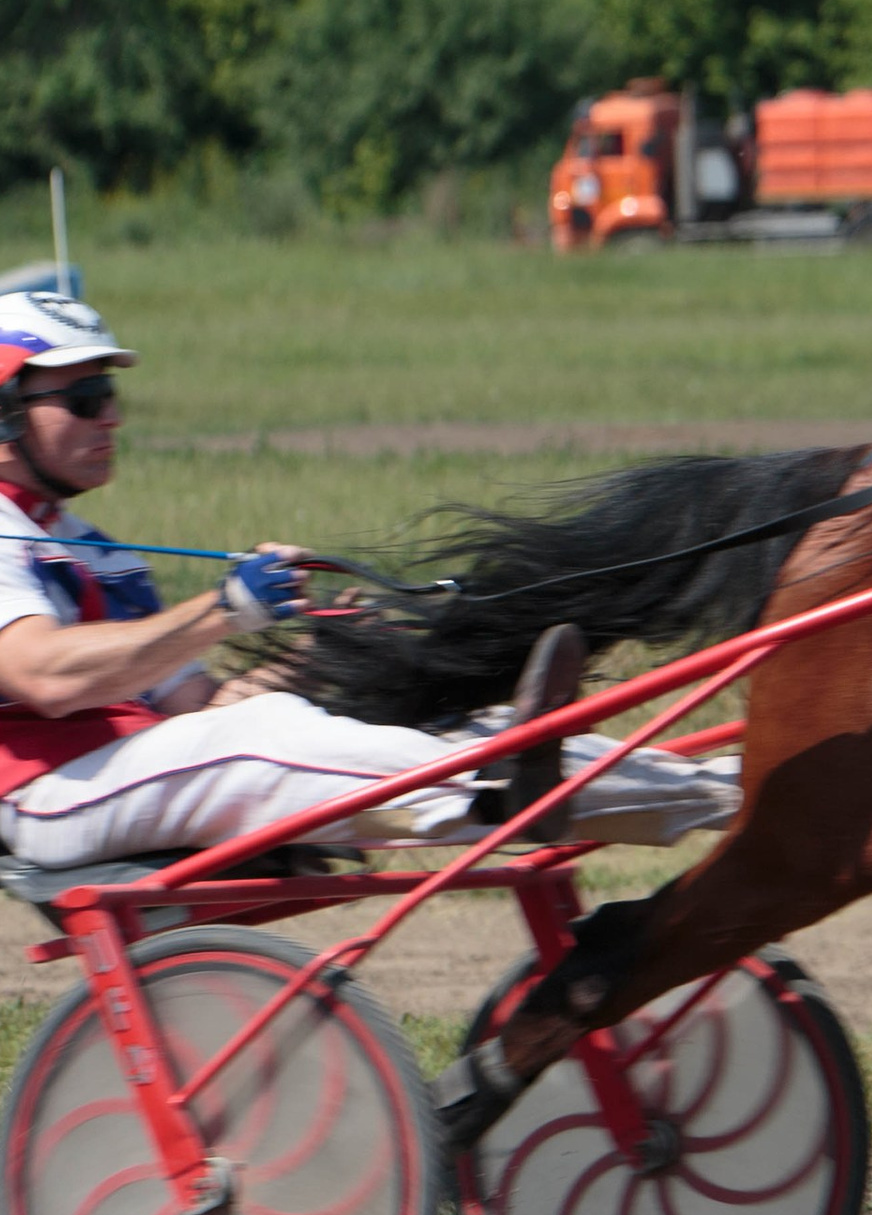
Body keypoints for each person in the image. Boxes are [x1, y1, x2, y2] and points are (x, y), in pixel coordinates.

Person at [0, 290, 736, 870]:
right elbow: (45, 678)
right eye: (87, 397)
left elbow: (199, 707)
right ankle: (492, 787)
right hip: (48, 791)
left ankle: (723, 789)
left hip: (130, 770)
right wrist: (226, 612)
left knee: (424, 723)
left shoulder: (95, 550)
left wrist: (311, 657)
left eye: (110, 394)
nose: (113, 417)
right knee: (264, 737)